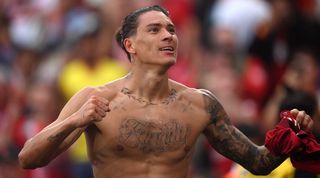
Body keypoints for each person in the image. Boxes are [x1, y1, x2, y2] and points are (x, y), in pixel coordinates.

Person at [18, 5, 314, 178]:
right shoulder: (95, 98)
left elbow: (258, 163)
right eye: (155, 29)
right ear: (129, 45)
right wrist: (76, 120)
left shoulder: (201, 104)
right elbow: (28, 158)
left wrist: (290, 133)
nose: (168, 35)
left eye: (171, 29)